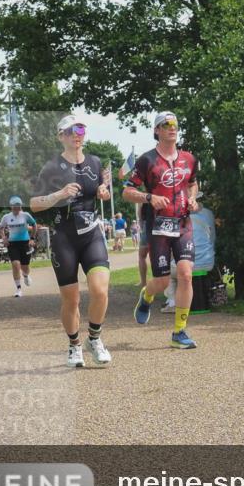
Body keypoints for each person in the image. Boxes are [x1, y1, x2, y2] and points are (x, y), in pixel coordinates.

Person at [30, 115, 113, 368]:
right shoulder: (51, 168)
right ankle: (74, 345)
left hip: (91, 234)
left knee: (100, 290)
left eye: (81, 129)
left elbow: (103, 193)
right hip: (63, 237)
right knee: (72, 299)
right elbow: (34, 204)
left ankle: (95, 339)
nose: (78, 134)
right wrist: (59, 194)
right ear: (61, 136)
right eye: (72, 130)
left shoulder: (96, 162)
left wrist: (104, 192)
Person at [123, 111, 200, 349]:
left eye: (175, 124)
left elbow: (193, 183)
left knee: (186, 274)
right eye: (166, 124)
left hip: (184, 223)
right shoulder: (147, 160)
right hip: (159, 227)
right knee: (163, 282)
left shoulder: (189, 158)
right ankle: (146, 296)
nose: (172, 127)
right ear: (157, 130)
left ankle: (179, 331)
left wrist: (193, 199)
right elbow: (126, 192)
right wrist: (149, 197)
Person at [0, 196, 37, 297]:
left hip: (25, 243)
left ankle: (26, 275)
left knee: (25, 267)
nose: (17, 208)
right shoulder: (6, 217)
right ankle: (18, 289)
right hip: (13, 244)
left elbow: (34, 225)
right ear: (11, 206)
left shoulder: (26, 215)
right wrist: (4, 238)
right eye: (15, 206)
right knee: (15, 265)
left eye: (19, 206)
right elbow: (0, 228)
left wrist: (32, 238)